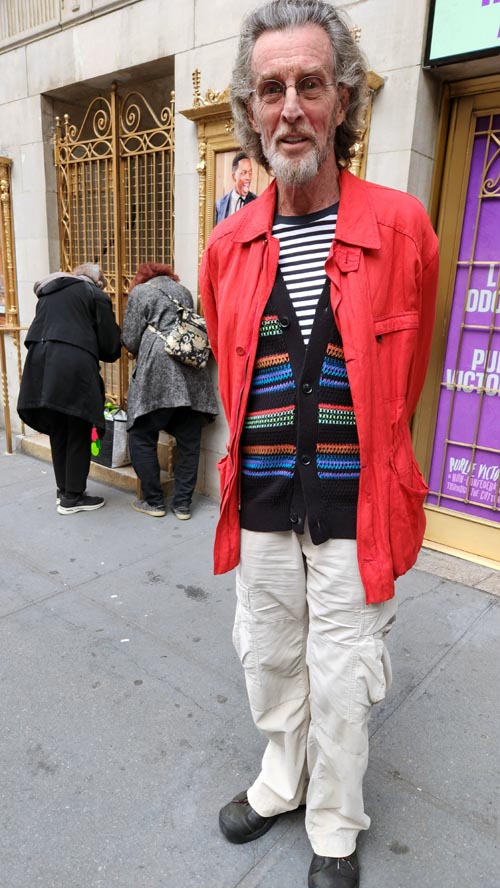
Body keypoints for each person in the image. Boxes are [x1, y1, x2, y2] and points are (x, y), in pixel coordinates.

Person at [199, 1, 439, 886]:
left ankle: (336, 822)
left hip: (354, 501)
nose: (290, 106)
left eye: (308, 84)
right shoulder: (227, 244)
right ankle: (279, 780)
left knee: (343, 679)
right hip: (260, 497)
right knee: (267, 654)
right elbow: (233, 374)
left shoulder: (402, 226)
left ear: (343, 100)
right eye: (271, 89)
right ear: (251, 112)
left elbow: (412, 366)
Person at [17, 263, 122, 514]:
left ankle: (63, 489)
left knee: (58, 427)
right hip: (72, 365)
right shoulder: (94, 294)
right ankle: (73, 498)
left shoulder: (50, 292)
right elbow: (110, 346)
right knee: (78, 424)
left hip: (40, 363)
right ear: (96, 281)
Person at [122, 262, 218, 520]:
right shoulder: (184, 291)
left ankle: (154, 502)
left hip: (157, 375)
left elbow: (130, 338)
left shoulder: (141, 292)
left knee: (141, 434)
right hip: (191, 376)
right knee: (189, 440)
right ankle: (183, 505)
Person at [215, 151, 257, 224]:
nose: (248, 177)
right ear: (234, 177)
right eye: (244, 173)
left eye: (250, 173)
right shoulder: (220, 205)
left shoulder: (257, 203)